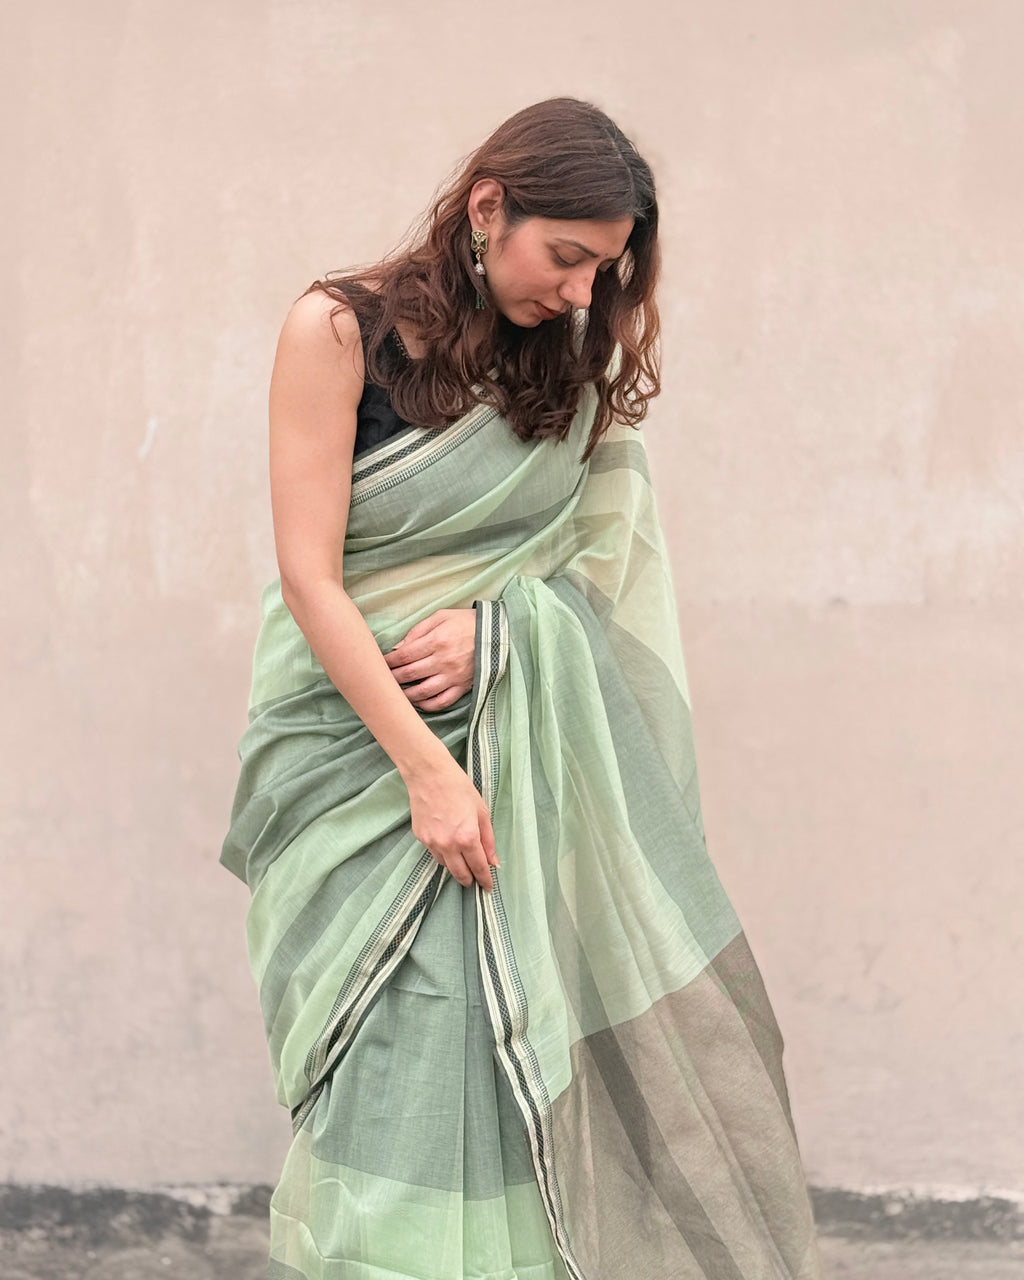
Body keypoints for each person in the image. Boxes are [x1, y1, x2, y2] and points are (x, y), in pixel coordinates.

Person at [222, 98, 823, 1280]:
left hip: (528, 774)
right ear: (487, 206)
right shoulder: (337, 330)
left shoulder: (572, 357)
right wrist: (428, 772)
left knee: (512, 1065)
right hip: (374, 772)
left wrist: (505, 632)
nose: (583, 294)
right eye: (566, 258)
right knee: (400, 1059)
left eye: (606, 269)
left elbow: (599, 572)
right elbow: (310, 575)